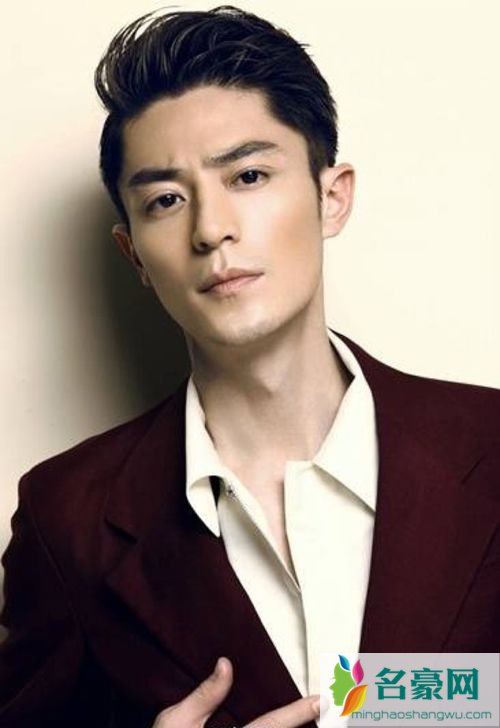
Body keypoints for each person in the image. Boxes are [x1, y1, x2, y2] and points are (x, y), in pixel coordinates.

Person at [0, 6, 499, 728]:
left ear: (332, 196)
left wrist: (383, 701)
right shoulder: (67, 520)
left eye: (249, 175)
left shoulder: (488, 445)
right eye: (166, 200)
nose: (211, 229)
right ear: (133, 253)